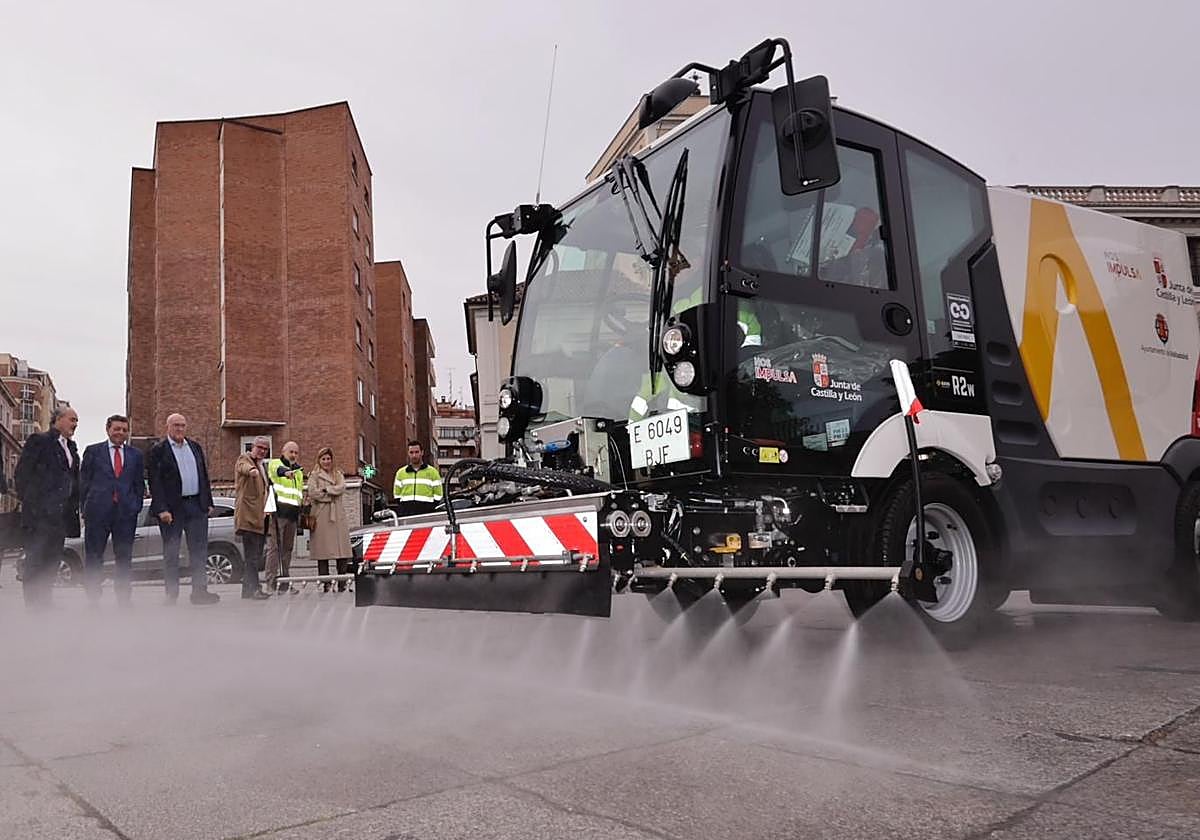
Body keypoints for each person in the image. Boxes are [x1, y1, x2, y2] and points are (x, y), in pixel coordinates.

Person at [146, 413, 219, 605]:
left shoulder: (194, 447)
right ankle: (171, 594)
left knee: (199, 551)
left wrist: (208, 501)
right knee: (171, 552)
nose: (179, 429)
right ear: (168, 427)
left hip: (196, 506)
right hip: (172, 509)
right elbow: (155, 482)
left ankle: (199, 592)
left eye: (182, 425)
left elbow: (203, 475)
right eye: (176, 425)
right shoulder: (158, 451)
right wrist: (161, 508)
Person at [13, 406, 80, 607]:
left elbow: (73, 480)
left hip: (60, 518)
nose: (75, 424)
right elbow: (22, 474)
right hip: (39, 517)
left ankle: (45, 604)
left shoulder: (71, 448)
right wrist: (33, 504)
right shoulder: (39, 441)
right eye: (72, 419)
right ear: (58, 420)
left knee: (52, 562)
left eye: (77, 421)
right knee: (35, 561)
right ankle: (33, 606)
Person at [78, 414, 144, 605]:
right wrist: (84, 507)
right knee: (94, 556)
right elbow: (84, 482)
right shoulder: (93, 451)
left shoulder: (135, 455)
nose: (120, 433)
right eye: (117, 429)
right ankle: (93, 598)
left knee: (124, 557)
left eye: (124, 430)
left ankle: (124, 599)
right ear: (108, 430)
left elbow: (138, 483)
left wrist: (136, 505)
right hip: (97, 512)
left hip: (125, 513)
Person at [305, 447, 353, 592]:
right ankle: (325, 583)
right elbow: (313, 493)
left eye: (328, 458)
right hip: (321, 515)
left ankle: (342, 583)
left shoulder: (338, 474)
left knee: (342, 551)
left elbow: (342, 487)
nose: (326, 461)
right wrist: (332, 492)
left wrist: (327, 490)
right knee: (323, 552)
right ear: (319, 460)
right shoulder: (314, 476)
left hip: (337, 515)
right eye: (323, 459)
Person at [233, 436, 271, 600]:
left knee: (254, 556)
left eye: (265, 449)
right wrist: (251, 471)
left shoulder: (263, 466)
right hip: (249, 517)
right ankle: (255, 588)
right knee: (252, 557)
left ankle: (247, 590)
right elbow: (243, 467)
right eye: (259, 447)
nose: (262, 451)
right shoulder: (245, 459)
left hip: (260, 519)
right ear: (252, 447)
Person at [265, 440, 303, 592]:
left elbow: (297, 493)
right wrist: (286, 472)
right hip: (278, 514)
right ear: (283, 452)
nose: (293, 455)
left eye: (296, 452)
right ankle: (271, 582)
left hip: (292, 515)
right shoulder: (275, 463)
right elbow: (277, 471)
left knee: (287, 550)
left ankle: (285, 582)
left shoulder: (299, 471)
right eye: (290, 452)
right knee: (274, 548)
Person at [393, 441, 442, 517]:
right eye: (411, 452)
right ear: (408, 453)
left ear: (422, 452)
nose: (414, 455)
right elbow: (397, 495)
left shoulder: (433, 472)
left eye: (416, 452)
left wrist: (430, 507)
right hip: (406, 512)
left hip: (426, 512)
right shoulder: (401, 473)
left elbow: (438, 494)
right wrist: (404, 506)